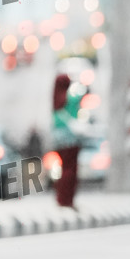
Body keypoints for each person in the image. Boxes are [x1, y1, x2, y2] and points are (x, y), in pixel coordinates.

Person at [51, 73, 83, 209]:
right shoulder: (69, 98)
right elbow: (79, 98)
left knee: (64, 169)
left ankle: (61, 198)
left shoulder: (55, 99)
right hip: (71, 140)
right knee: (70, 170)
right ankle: (67, 199)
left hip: (58, 140)